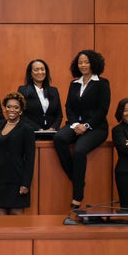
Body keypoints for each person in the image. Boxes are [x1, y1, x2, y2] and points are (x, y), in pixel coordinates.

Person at [53, 49, 111, 209]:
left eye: (86, 62)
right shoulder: (74, 83)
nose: (83, 65)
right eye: (80, 62)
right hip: (75, 124)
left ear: (93, 63)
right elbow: (69, 107)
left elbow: (102, 110)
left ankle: (77, 196)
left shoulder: (102, 83)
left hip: (96, 128)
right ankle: (75, 176)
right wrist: (74, 125)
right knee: (58, 138)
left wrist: (85, 126)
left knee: (79, 150)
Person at [17, 59, 62, 131]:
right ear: (30, 73)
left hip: (52, 132)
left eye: (42, 69)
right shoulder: (23, 90)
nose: (40, 72)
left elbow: (59, 114)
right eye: (36, 70)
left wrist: (52, 128)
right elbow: (22, 115)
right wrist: (38, 129)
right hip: (31, 131)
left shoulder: (54, 91)